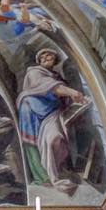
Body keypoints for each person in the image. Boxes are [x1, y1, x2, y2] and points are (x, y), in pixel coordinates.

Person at [17, 49, 89, 189]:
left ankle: (59, 171)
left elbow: (60, 95)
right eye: (41, 57)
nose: (45, 58)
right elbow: (49, 87)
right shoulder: (34, 73)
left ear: (55, 59)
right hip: (34, 116)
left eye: (48, 55)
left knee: (56, 140)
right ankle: (46, 177)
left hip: (52, 114)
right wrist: (72, 92)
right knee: (42, 143)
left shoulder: (56, 76)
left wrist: (74, 99)